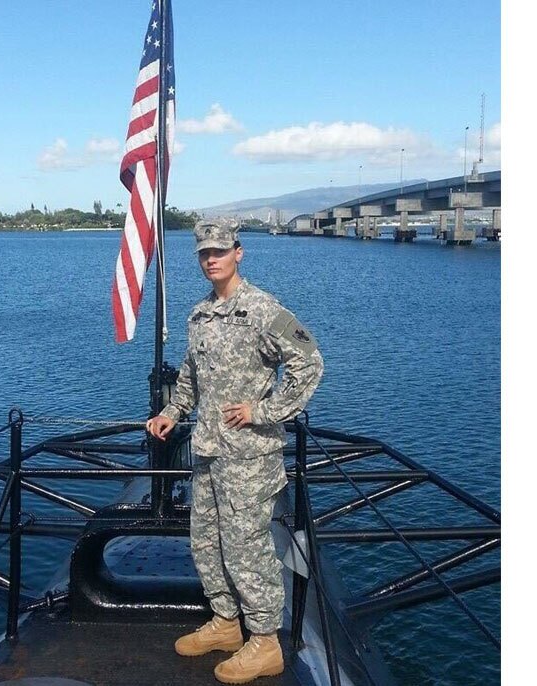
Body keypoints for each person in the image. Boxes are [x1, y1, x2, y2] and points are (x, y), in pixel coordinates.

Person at [147, 219, 323, 684]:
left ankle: (264, 642)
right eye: (204, 253)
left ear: (238, 253)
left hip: (250, 457)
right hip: (208, 450)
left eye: (219, 252)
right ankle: (226, 623)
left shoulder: (264, 310)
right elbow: (190, 376)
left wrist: (265, 410)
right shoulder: (199, 315)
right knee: (207, 540)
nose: (211, 260)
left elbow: (310, 364)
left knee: (247, 546)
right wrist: (172, 410)